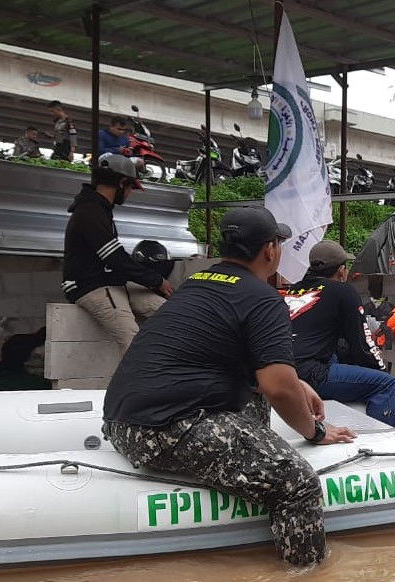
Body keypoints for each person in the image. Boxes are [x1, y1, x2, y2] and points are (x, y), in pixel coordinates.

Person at [102, 207, 356, 566]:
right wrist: (314, 432)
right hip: (165, 428)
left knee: (253, 395)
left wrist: (296, 382)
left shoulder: (198, 284)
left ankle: (252, 464)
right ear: (270, 250)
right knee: (298, 485)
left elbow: (266, 375)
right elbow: (278, 388)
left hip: (119, 421)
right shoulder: (263, 298)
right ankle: (307, 571)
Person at [286, 240, 395, 430]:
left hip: (285, 369)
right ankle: (390, 443)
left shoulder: (294, 289)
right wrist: (386, 377)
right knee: (385, 384)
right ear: (342, 270)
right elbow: (363, 343)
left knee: (336, 355)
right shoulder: (343, 291)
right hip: (310, 372)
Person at [61, 153, 174, 353]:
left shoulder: (98, 208)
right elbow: (115, 258)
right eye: (131, 187)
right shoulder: (90, 211)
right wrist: (156, 280)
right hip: (90, 286)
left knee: (172, 314)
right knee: (133, 342)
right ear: (122, 183)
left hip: (109, 281)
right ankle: (137, 383)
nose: (130, 193)